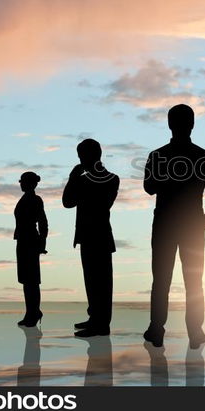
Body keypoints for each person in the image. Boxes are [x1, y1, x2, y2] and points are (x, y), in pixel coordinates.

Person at [143, 104, 205, 349]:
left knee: (162, 280)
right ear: (192, 124)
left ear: (170, 124)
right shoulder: (203, 156)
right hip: (191, 226)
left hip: (167, 226)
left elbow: (149, 187)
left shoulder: (159, 155)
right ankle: (193, 331)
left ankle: (158, 329)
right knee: (193, 281)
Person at [62, 139, 120, 337]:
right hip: (88, 236)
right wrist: (74, 178)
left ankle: (102, 324)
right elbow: (67, 202)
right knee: (92, 281)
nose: (80, 160)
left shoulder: (110, 179)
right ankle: (95, 318)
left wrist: (75, 178)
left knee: (102, 283)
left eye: (82, 156)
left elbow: (69, 201)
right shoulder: (86, 179)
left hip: (99, 236)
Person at [13, 171, 48, 327]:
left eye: (22, 181)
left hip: (30, 241)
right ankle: (31, 312)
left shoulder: (35, 200)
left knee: (32, 280)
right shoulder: (25, 199)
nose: (20, 184)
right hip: (22, 241)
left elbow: (43, 223)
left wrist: (42, 244)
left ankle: (34, 312)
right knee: (26, 280)